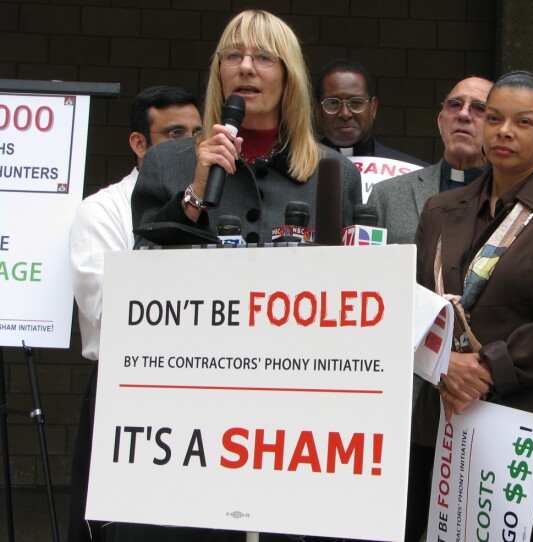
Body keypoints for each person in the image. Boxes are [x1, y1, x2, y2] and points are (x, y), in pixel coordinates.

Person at [405, 71, 533, 541]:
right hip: (445, 417)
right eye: (493, 118)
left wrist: (482, 369)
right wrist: (443, 367)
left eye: (523, 121)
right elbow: (413, 303)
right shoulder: (441, 209)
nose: (503, 131)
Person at [68, 85, 203, 542]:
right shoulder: (102, 210)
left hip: (200, 389)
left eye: (197, 133)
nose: (189, 145)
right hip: (126, 390)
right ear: (139, 144)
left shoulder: (213, 202)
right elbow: (109, 309)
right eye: (175, 134)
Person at [132, 11, 362, 244]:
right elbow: (141, 267)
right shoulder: (164, 163)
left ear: (288, 77)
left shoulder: (336, 175)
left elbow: (350, 275)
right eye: (233, 55)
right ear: (219, 74)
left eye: (263, 57)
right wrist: (196, 194)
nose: (245, 67)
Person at [367, 76, 492, 245]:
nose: (463, 114)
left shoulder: (510, 198)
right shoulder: (386, 195)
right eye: (455, 104)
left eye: (479, 108)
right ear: (440, 121)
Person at [314, 58, 428, 166]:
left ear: (373, 107)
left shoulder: (410, 171)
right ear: (317, 110)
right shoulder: (297, 171)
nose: (345, 114)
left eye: (356, 102)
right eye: (333, 103)